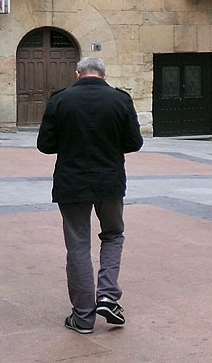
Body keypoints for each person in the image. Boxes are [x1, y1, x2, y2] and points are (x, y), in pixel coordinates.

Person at [37, 56, 144, 334]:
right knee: (112, 234)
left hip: (71, 183)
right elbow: (134, 143)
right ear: (104, 75)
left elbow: (45, 145)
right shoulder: (120, 100)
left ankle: (83, 317)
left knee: (78, 245)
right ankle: (107, 296)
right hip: (109, 182)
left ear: (77, 73)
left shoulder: (61, 100)